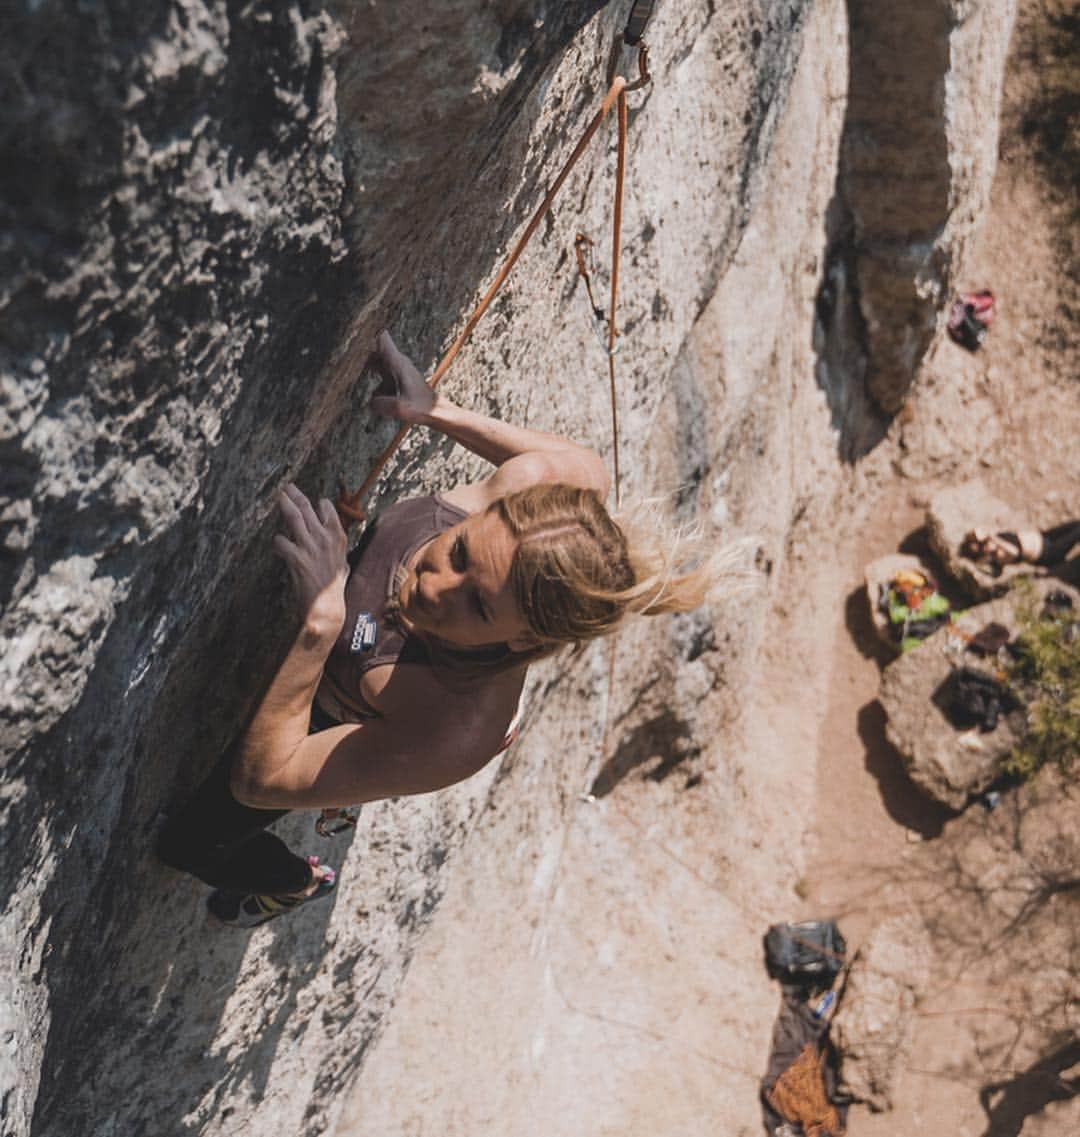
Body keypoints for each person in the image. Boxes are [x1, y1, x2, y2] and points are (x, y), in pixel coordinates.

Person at [158, 331, 720, 926]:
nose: (432, 588)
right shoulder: (537, 487)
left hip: (335, 711)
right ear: (496, 508)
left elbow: (259, 779)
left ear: (524, 641)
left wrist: (321, 626)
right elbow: (588, 467)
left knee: (191, 845)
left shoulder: (457, 728)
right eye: (457, 553)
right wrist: (439, 411)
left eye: (477, 606)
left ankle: (294, 881)